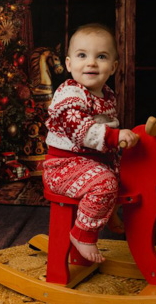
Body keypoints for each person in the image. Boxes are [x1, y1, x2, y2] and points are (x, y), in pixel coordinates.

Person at [43, 23, 139, 263]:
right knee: (104, 183)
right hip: (63, 167)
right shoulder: (70, 94)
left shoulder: (106, 95)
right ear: (68, 64)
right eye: (82, 55)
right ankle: (83, 234)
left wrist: (123, 142)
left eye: (101, 56)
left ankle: (108, 214)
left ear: (113, 67)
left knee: (122, 175)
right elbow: (80, 130)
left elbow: (109, 130)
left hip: (91, 163)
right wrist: (115, 138)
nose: (91, 63)